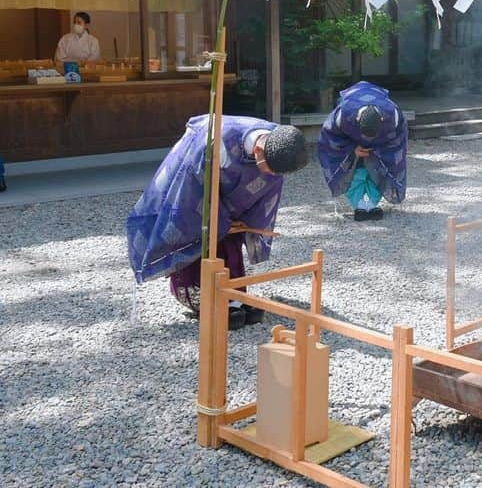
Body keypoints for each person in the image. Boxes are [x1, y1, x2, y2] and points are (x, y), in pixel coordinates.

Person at [127, 116, 308, 329]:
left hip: (232, 201)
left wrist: (245, 221)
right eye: (269, 169)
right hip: (196, 190)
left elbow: (267, 189)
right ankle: (202, 298)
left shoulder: (281, 141)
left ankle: (235, 297)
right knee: (201, 238)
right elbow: (192, 192)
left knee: (231, 242)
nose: (271, 175)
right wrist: (219, 221)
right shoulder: (214, 143)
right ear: (259, 150)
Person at [318, 82, 407, 221]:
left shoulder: (393, 114)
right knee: (355, 174)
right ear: (357, 119)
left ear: (382, 119)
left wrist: (379, 150)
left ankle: (371, 205)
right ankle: (359, 205)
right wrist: (351, 149)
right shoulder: (343, 114)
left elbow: (398, 138)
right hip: (351, 141)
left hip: (381, 143)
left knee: (379, 172)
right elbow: (329, 137)